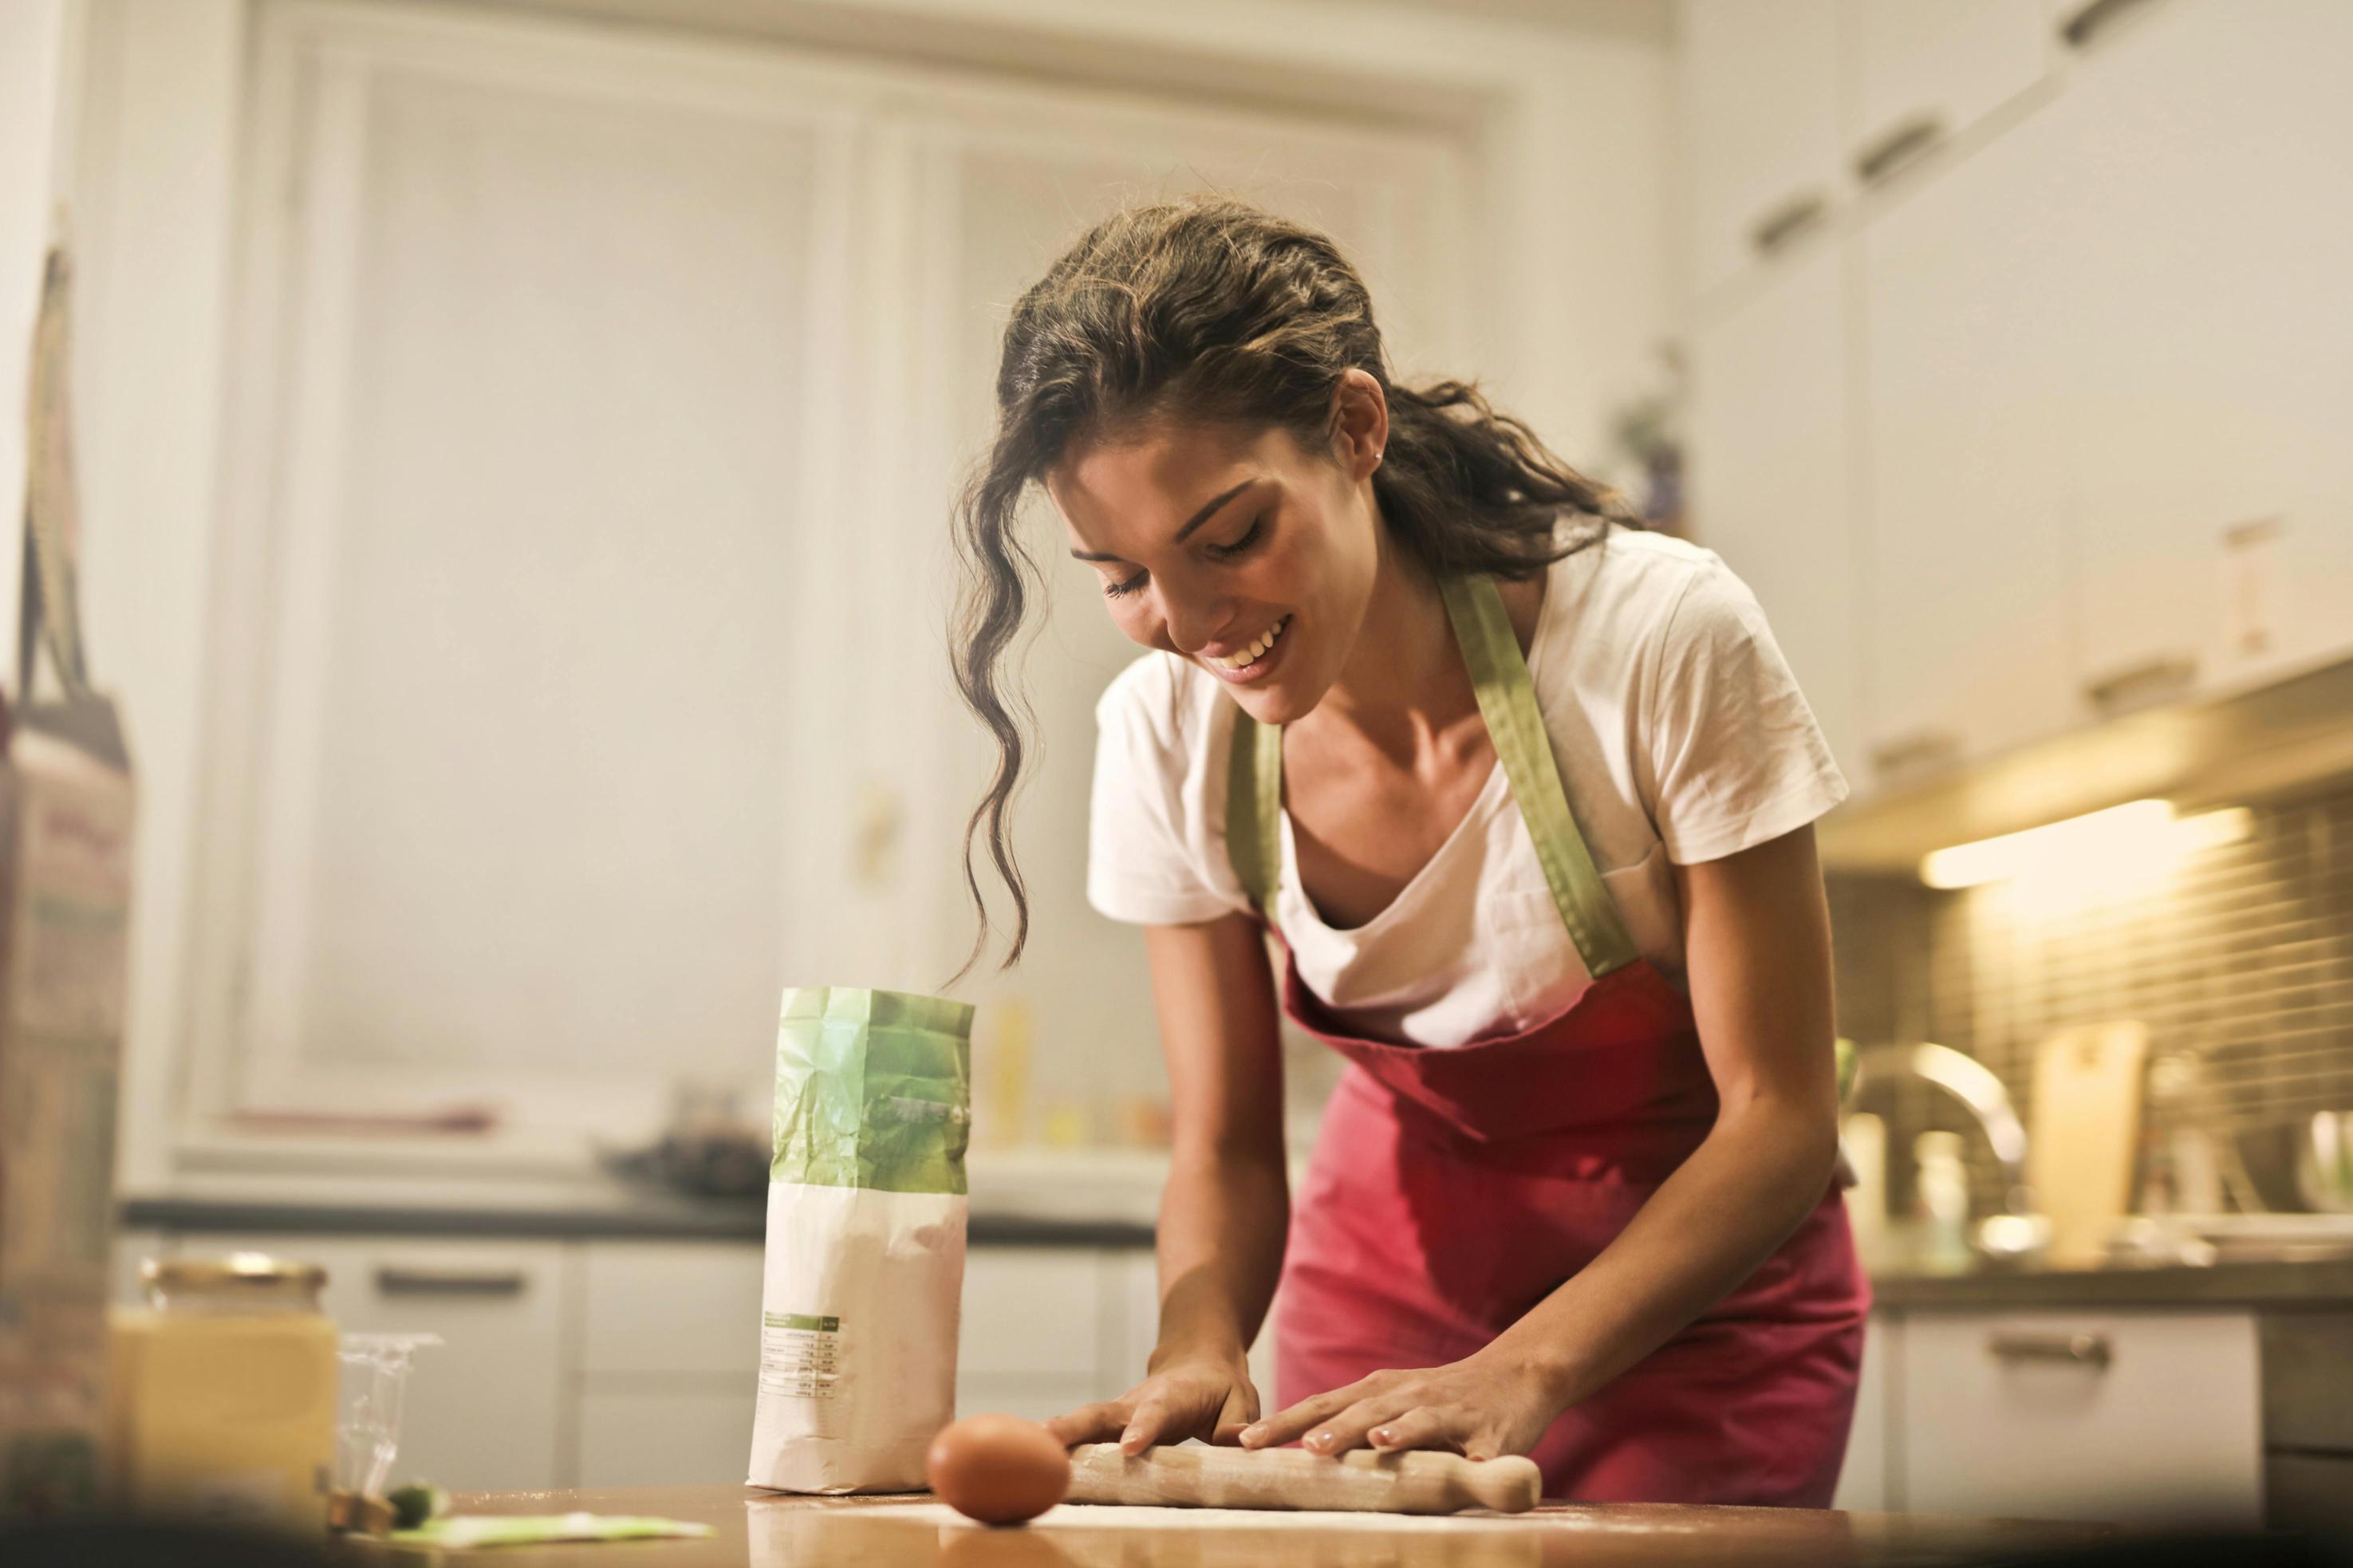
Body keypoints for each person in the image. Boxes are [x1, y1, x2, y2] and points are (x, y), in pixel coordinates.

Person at [947, 195, 1866, 1505]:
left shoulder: (1656, 641)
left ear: (1356, 430)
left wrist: (1523, 1369)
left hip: (1696, 1329)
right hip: (1378, 1317)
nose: (1191, 619)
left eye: (1229, 538)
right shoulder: (1166, 735)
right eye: (1122, 574)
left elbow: (1780, 1118)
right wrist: (1197, 1344)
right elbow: (1224, 1146)